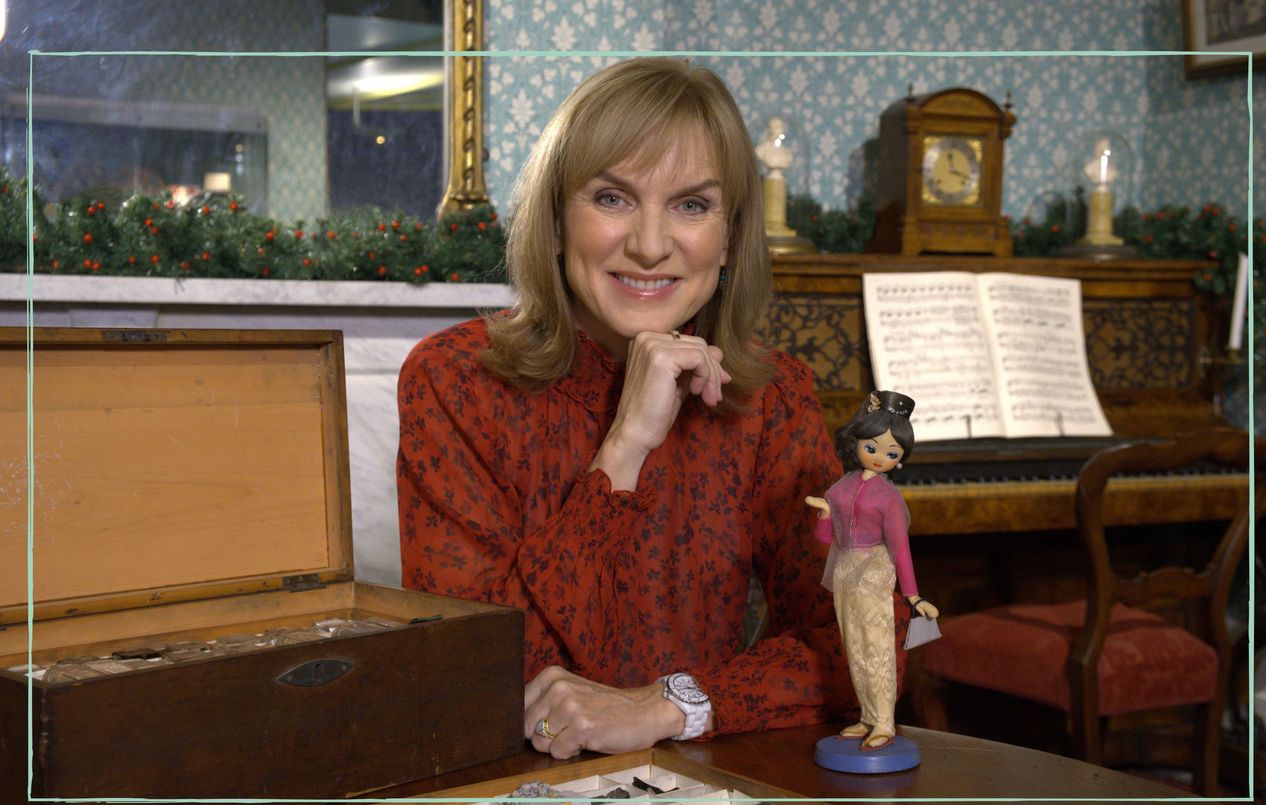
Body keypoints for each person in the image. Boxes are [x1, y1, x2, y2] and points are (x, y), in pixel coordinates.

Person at [397, 57, 905, 760]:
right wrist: (626, 446)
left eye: (692, 205)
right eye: (612, 198)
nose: (650, 243)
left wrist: (667, 705)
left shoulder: (771, 393)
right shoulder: (455, 381)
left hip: (698, 783)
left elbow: (864, 642)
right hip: (513, 789)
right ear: (553, 220)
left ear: (728, 238)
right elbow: (480, 678)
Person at [805, 391, 939, 751]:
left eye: (892, 453)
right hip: (846, 570)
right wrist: (823, 516)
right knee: (854, 646)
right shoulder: (841, 487)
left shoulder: (888, 498)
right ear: (858, 442)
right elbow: (824, 537)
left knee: (877, 645)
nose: (882, 458)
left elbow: (901, 549)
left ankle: (884, 721)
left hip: (875, 571)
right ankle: (867, 715)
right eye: (874, 447)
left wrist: (913, 595)